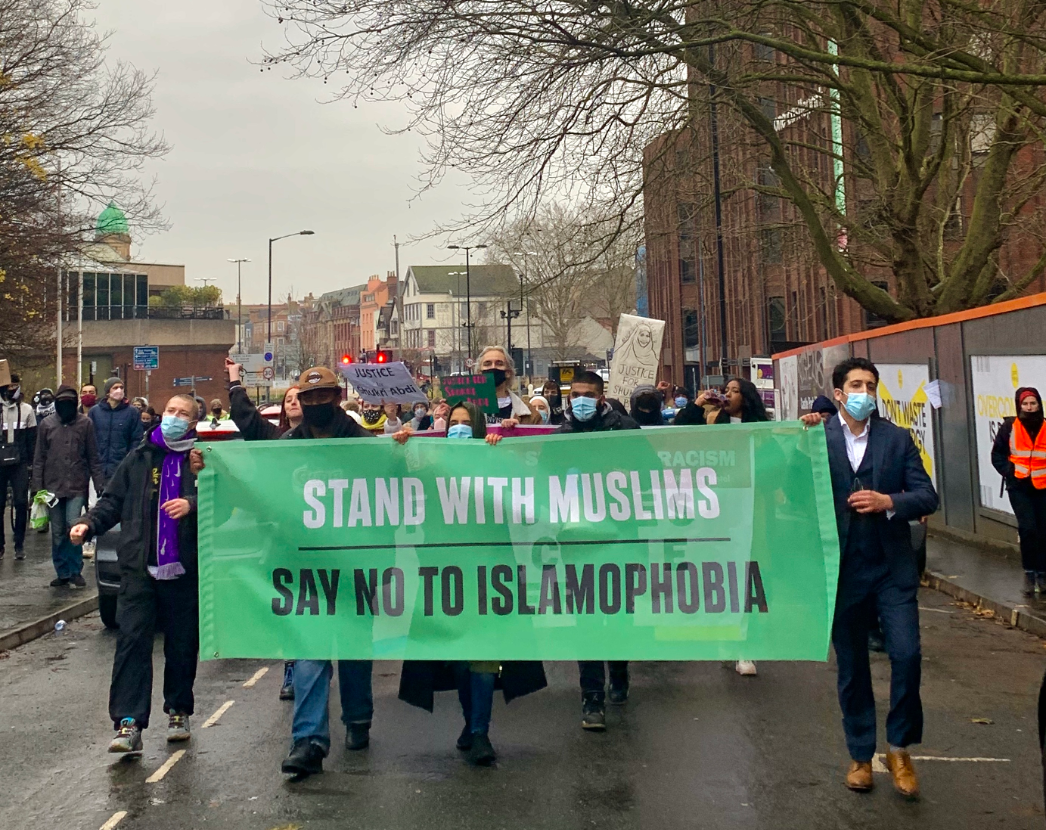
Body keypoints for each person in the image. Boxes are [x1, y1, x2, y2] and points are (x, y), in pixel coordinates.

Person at [800, 357, 938, 797]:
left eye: (871, 385)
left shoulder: (896, 439)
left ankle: (899, 748)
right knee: (853, 665)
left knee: (907, 655)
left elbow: (927, 496)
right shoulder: (815, 438)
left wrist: (889, 501)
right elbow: (790, 489)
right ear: (839, 394)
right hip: (842, 571)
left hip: (891, 568)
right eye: (856, 385)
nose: (865, 392)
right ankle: (860, 754)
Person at [397, 401, 546, 765]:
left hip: (489, 572)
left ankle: (480, 732)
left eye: (467, 423)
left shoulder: (494, 459)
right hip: (445, 571)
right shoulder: (430, 464)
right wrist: (401, 446)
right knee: (460, 656)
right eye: (454, 422)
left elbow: (531, 476)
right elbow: (393, 481)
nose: (459, 428)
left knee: (484, 653)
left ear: (479, 428)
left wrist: (508, 442)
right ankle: (471, 722)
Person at [279, 367, 410, 778]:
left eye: (324, 397)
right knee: (310, 651)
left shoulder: (364, 442)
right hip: (308, 567)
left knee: (354, 648)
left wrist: (400, 453)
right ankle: (308, 741)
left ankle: (358, 718)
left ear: (337, 398)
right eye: (310, 398)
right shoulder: (285, 448)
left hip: (357, 564)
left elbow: (395, 489)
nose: (316, 404)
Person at [70, 394, 204, 757]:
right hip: (138, 568)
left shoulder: (200, 459)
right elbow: (112, 500)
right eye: (170, 411)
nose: (174, 417)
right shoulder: (140, 456)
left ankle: (178, 710)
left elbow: (223, 499)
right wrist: (87, 523)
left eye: (182, 414)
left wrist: (192, 503)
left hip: (183, 569)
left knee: (181, 643)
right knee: (131, 643)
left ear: (193, 423)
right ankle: (128, 722)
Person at [555, 371, 639, 730]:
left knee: (618, 613)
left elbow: (652, 471)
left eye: (588, 394)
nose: (581, 400)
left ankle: (618, 671)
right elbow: (541, 479)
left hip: (620, 536)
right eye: (575, 394)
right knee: (585, 617)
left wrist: (624, 471)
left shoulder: (626, 429)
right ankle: (592, 697)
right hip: (577, 540)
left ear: (601, 397)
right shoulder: (560, 435)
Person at [226, 358, 302, 698]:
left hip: (322, 537)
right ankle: (292, 667)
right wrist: (234, 380)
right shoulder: (273, 437)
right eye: (289, 399)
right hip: (283, 536)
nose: (294, 402)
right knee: (290, 603)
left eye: (300, 398)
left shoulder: (330, 439)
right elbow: (246, 417)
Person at [691, 377, 770, 676]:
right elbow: (684, 438)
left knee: (750, 579)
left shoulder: (762, 429)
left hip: (752, 511)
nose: (728, 395)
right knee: (725, 577)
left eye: (735, 391)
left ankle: (746, 646)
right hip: (720, 513)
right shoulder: (712, 421)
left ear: (747, 397)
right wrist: (697, 405)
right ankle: (728, 637)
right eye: (726, 390)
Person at [31, 386, 105, 586]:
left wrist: (99, 483)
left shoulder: (85, 424)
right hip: (52, 488)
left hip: (76, 485)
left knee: (74, 527)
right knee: (57, 532)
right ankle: (62, 571)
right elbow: (39, 458)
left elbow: (93, 456)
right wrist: (37, 486)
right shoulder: (46, 424)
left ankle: (75, 570)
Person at [991, 387, 1046, 596]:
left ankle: (1043, 573)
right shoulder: (1009, 427)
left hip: (1043, 486)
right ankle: (1030, 573)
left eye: (1033, 403)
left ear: (1039, 405)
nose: (1029, 407)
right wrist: (1009, 472)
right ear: (1019, 405)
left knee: (1043, 530)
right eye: (1025, 404)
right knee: (1028, 528)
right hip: (1019, 487)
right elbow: (997, 454)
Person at [0, 372, 37, 560]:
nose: (11, 389)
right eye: (8, 386)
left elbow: (32, 440)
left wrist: (31, 464)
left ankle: (19, 544)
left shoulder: (27, 410)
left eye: (14, 386)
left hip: (20, 463)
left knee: (21, 502)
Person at [89, 377, 144, 484]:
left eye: (121, 387)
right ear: (108, 392)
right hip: (99, 466)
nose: (119, 390)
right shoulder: (95, 412)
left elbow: (137, 438)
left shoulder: (132, 412)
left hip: (121, 465)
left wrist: (130, 458)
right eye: (115, 388)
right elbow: (90, 438)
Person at [478, 347, 540, 426]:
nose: (493, 367)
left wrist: (519, 430)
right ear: (479, 373)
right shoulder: (467, 408)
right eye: (487, 364)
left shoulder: (530, 413)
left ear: (508, 373)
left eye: (499, 364)